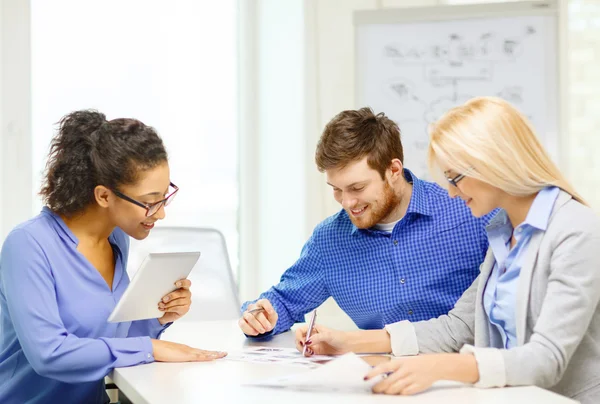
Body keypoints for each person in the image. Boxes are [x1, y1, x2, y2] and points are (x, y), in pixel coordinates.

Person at [295, 97, 600, 403]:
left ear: (495, 163)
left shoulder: (576, 231)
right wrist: (347, 342)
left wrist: (441, 367)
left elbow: (546, 359)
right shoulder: (504, 233)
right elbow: (457, 328)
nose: (451, 193)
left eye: (455, 178)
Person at [0, 110, 226, 404]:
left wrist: (157, 318)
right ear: (104, 196)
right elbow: (49, 355)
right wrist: (151, 348)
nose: (161, 212)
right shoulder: (29, 245)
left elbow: (106, 335)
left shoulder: (117, 239)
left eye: (164, 197)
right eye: (149, 202)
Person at [239, 107, 493, 338]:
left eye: (357, 187)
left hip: (467, 371)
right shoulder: (330, 240)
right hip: (382, 376)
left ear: (393, 170)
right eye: (336, 189)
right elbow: (282, 302)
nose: (347, 202)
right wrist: (260, 317)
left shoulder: (470, 211)